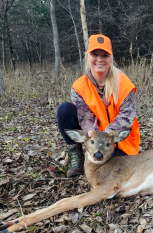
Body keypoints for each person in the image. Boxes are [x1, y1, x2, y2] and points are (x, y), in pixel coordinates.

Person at [56, 34, 140, 177]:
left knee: (113, 170)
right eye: (95, 54)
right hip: (94, 138)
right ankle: (77, 156)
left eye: (105, 55)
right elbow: (84, 115)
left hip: (117, 140)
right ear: (87, 56)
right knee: (64, 110)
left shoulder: (124, 84)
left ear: (111, 58)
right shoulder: (79, 86)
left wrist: (108, 134)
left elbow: (126, 116)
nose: (99, 59)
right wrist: (91, 132)